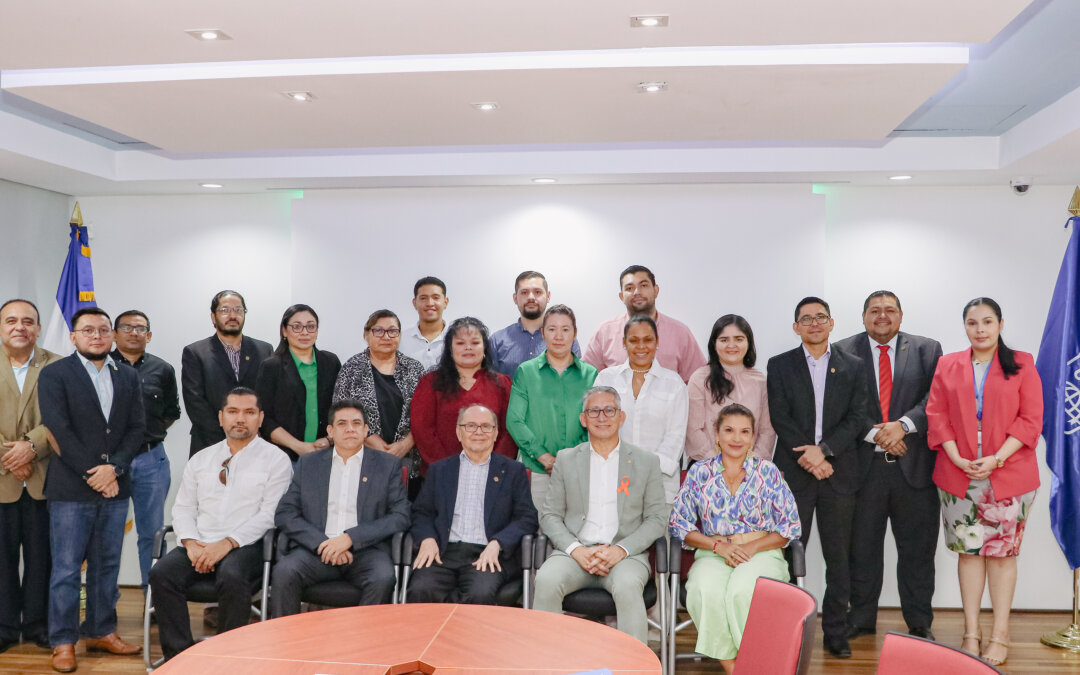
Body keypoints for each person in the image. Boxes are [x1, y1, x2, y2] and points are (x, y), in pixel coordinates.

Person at [926, 297, 1042, 667]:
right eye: (973, 323)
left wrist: (997, 458)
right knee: (969, 554)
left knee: (1003, 555)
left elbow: (1030, 419)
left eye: (987, 322)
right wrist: (958, 457)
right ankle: (971, 633)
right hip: (958, 472)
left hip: (1008, 473)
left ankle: (1000, 634)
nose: (980, 329)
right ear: (965, 327)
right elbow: (936, 414)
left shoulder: (1022, 363)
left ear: (1001, 325)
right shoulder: (949, 364)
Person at [148, 387, 292, 661]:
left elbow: (270, 515)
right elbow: (184, 507)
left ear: (260, 418)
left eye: (249, 412)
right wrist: (190, 543)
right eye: (233, 412)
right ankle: (180, 658)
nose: (240, 419)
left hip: (247, 545)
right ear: (220, 418)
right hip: (200, 542)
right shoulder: (201, 459)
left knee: (232, 574)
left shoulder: (277, 460)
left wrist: (227, 544)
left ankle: (228, 659)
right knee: (162, 574)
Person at [38, 307, 146, 672]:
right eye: (88, 330)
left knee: (107, 565)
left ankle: (102, 630)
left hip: (116, 486)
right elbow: (58, 429)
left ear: (112, 336)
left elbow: (136, 429)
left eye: (103, 330)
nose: (97, 335)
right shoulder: (55, 374)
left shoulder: (128, 376)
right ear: (73, 337)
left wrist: (113, 469)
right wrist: (94, 472)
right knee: (67, 569)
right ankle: (64, 641)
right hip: (71, 488)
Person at [834, 291, 943, 642]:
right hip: (863, 470)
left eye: (890, 310)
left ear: (900, 315)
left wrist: (904, 426)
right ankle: (861, 618)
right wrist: (878, 434)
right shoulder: (842, 351)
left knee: (918, 552)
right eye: (875, 310)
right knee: (862, 549)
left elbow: (935, 398)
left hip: (914, 469)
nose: (882, 316)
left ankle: (919, 622)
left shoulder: (927, 349)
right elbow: (839, 403)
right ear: (863, 315)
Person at [766, 296, 869, 659]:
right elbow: (781, 417)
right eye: (805, 319)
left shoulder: (854, 365)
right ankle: (787, 628)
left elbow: (858, 418)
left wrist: (823, 451)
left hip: (839, 470)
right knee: (788, 553)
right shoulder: (779, 365)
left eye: (820, 317)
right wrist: (810, 457)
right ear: (796, 326)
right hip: (795, 472)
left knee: (838, 556)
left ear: (831, 323)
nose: (813, 323)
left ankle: (835, 632)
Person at [669, 403, 801, 672]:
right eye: (729, 430)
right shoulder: (700, 473)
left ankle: (756, 663)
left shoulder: (768, 473)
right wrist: (718, 546)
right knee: (703, 590)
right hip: (713, 551)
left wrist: (751, 547)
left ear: (753, 437)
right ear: (716, 434)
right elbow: (678, 524)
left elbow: (789, 526)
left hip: (761, 551)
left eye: (744, 432)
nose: (736, 438)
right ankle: (736, 668)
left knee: (743, 592)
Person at [533, 386, 668, 644]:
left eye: (609, 410)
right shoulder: (566, 459)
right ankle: (546, 665)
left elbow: (657, 519)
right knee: (546, 580)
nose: (602, 417)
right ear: (583, 419)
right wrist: (576, 550)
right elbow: (549, 515)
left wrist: (621, 550)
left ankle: (632, 670)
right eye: (594, 411)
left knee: (629, 588)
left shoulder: (646, 461)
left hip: (625, 556)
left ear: (621, 417)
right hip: (575, 552)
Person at [271, 400, 410, 617]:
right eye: (342, 424)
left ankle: (361, 645)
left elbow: (400, 515)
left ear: (365, 430)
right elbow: (285, 513)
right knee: (284, 572)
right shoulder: (309, 464)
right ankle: (288, 647)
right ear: (330, 431)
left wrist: (350, 538)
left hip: (366, 551)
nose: (350, 429)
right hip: (316, 549)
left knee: (383, 577)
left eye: (356, 424)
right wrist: (322, 544)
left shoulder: (386, 465)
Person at [408, 404, 538, 605]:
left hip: (488, 553)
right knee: (421, 589)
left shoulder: (513, 471)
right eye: (470, 426)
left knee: (480, 594)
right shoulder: (440, 470)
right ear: (459, 432)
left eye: (486, 427)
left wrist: (498, 543)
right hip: (442, 551)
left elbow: (527, 517)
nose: (479, 432)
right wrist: (427, 538)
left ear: (495, 434)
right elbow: (421, 512)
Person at [0, 299, 61, 653]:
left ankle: (39, 625)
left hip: (44, 478)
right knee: (2, 559)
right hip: (2, 478)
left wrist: (30, 448)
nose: (19, 326)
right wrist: (10, 457)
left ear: (38, 328)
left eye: (28, 321)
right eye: (11, 320)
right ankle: (5, 627)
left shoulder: (59, 365)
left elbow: (63, 418)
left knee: (42, 558)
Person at [110, 310, 181, 593]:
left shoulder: (162, 369)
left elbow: (170, 413)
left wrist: (143, 436)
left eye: (140, 328)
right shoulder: (99, 366)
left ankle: (153, 598)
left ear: (149, 336)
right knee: (107, 534)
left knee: (152, 535)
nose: (134, 332)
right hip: (109, 462)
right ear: (114, 334)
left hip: (151, 459)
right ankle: (104, 605)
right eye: (126, 327)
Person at [507, 304, 597, 512]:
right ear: (542, 333)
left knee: (576, 533)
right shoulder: (526, 372)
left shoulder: (591, 375)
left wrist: (572, 461)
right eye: (552, 329)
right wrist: (544, 458)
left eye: (565, 329)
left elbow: (597, 423)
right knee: (536, 536)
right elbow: (514, 420)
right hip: (536, 469)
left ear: (575, 334)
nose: (559, 336)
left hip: (579, 470)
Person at [594, 316, 688, 503]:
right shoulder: (606, 379)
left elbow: (675, 437)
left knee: (657, 533)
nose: (641, 346)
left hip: (659, 485)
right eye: (634, 340)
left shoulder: (674, 383)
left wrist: (645, 471)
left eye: (648, 340)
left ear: (657, 342)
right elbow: (598, 428)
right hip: (613, 482)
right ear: (624, 343)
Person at [333, 309, 426, 498]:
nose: (386, 336)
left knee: (404, 516)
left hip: (408, 459)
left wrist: (406, 444)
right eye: (378, 331)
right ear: (366, 334)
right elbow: (339, 413)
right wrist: (371, 441)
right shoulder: (351, 368)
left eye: (392, 331)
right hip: (363, 458)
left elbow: (425, 414)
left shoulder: (415, 369)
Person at [410, 317, 517, 473]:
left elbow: (510, 431)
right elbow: (423, 431)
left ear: (485, 348)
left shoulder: (502, 384)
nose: (468, 348)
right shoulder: (430, 383)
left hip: (493, 474)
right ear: (450, 349)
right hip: (441, 474)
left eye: (475, 343)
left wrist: (491, 466)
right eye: (460, 343)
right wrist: (449, 467)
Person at [181, 290, 273, 456]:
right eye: (224, 310)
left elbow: (268, 397)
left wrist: (250, 435)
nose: (232, 315)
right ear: (213, 316)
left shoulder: (264, 350)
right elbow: (195, 403)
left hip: (255, 444)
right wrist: (229, 439)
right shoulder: (195, 352)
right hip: (209, 444)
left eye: (238, 310)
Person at [583, 265, 706, 383]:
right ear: (621, 296)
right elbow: (586, 379)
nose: (637, 292)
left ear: (655, 290)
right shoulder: (605, 332)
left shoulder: (680, 333)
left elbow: (697, 382)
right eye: (629, 288)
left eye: (643, 285)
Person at [254, 304, 341, 461]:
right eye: (297, 327)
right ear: (284, 331)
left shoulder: (331, 362)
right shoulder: (271, 366)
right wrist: (297, 446)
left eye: (311, 326)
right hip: (284, 456)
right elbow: (263, 417)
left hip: (325, 454)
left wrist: (329, 439)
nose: (305, 332)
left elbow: (341, 407)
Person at [686, 315, 776, 462]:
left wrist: (753, 463)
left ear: (748, 342)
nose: (731, 345)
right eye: (724, 340)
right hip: (706, 465)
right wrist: (719, 464)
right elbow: (693, 429)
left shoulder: (761, 381)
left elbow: (767, 431)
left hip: (751, 469)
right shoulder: (700, 378)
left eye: (739, 339)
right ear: (714, 344)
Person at [490, 271, 581, 377]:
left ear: (548, 296)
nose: (531, 297)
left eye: (537, 292)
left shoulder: (566, 339)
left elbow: (576, 381)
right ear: (515, 298)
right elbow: (488, 386)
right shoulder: (497, 341)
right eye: (524, 292)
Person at [401, 276, 449, 372]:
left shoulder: (458, 340)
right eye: (423, 298)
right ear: (414, 303)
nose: (430, 303)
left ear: (445, 302)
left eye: (436, 298)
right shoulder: (400, 340)